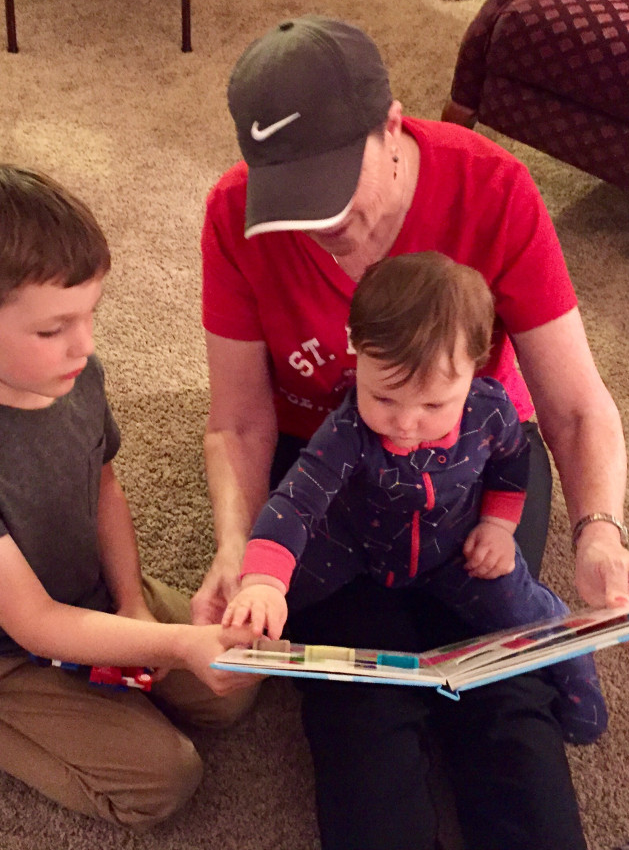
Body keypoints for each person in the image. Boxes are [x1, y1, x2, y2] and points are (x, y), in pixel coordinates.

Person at [192, 15, 629, 850]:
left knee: (504, 684)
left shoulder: (492, 187)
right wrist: (238, 547)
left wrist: (600, 532)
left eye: (334, 185)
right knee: (359, 709)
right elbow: (237, 419)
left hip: (475, 461)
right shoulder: (233, 213)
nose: (318, 223)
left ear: (392, 126)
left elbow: (574, 407)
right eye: (292, 194)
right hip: (330, 471)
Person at [0, 164, 259, 830]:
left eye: (90, 315)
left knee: (239, 685)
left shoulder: (76, 376)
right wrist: (175, 646)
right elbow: (32, 622)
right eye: (52, 329)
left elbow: (104, 485)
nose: (84, 345)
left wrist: (132, 605)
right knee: (163, 783)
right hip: (2, 651)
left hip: (89, 595)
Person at [221, 251, 606, 745]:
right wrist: (262, 584)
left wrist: (497, 526)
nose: (404, 423)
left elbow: (512, 463)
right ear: (357, 352)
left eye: (433, 404)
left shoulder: (491, 412)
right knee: (267, 597)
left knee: (519, 607)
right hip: (355, 543)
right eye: (383, 397)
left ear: (475, 368)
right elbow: (296, 503)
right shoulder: (346, 430)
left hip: (456, 548)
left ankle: (574, 662)